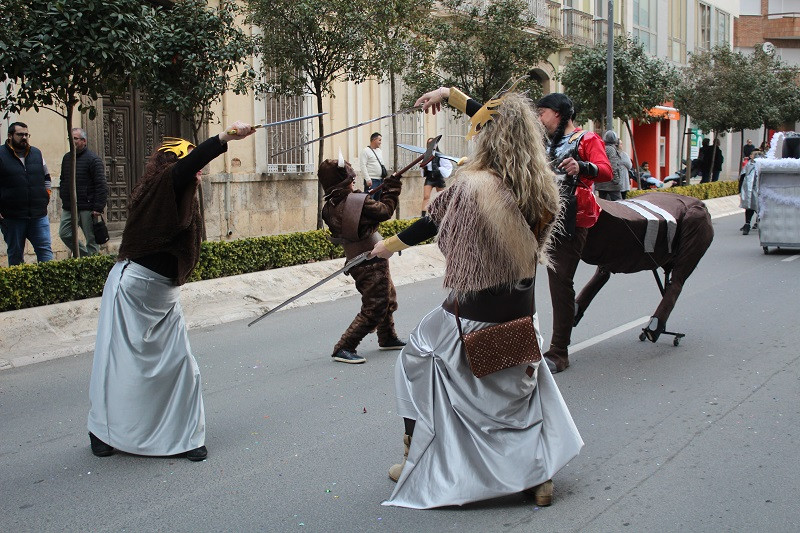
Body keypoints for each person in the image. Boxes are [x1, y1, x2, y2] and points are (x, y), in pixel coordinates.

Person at [372, 87, 583, 509]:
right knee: (517, 394)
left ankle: (415, 455)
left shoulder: (473, 187)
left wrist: (385, 247)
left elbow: (432, 226)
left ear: (490, 139)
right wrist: (450, 95)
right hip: (522, 315)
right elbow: (500, 117)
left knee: (415, 359)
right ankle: (540, 478)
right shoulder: (543, 185)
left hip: (473, 316)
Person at [87, 121, 254, 461]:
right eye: (193, 165)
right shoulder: (165, 184)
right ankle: (101, 431)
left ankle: (185, 437)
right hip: (132, 292)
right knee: (120, 368)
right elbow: (185, 170)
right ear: (173, 165)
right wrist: (224, 138)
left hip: (164, 296)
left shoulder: (175, 192)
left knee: (181, 367)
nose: (200, 173)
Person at [535, 93, 613, 374]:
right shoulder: (545, 143)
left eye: (542, 112)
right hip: (541, 216)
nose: (539, 118)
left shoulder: (586, 139)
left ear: (558, 113)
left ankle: (559, 351)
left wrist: (582, 166)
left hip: (571, 219)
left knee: (560, 282)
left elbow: (606, 171)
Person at [318, 154, 406, 364]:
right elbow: (384, 211)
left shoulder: (330, 206)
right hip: (370, 259)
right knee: (376, 305)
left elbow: (359, 214)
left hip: (358, 259)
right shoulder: (357, 202)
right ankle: (345, 346)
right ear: (344, 181)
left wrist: (371, 194)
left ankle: (387, 337)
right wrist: (392, 189)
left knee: (387, 296)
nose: (354, 181)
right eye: (351, 179)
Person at [0, 122, 54, 266]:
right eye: (20, 134)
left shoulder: (36, 153)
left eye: (26, 134)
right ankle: (19, 288)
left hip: (38, 215)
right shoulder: (1, 155)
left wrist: (45, 197)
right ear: (10, 136)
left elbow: (46, 177)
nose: (24, 137)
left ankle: (49, 285)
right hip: (12, 216)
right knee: (15, 255)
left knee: (45, 252)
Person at [59, 128, 108, 257]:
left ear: (84, 141)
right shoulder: (66, 158)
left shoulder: (93, 159)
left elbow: (101, 185)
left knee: (91, 239)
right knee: (64, 233)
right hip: (70, 207)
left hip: (88, 207)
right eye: (71, 138)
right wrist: (63, 196)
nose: (72, 141)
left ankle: (93, 267)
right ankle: (86, 257)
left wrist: (98, 207)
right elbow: (63, 179)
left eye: (75, 138)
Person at [420, 139, 453, 216]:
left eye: (432, 143)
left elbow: (448, 166)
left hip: (438, 177)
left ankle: (445, 213)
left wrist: (440, 169)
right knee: (426, 196)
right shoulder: (425, 155)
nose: (431, 145)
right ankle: (423, 215)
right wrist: (422, 166)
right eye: (429, 143)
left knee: (442, 197)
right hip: (429, 177)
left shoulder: (439, 155)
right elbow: (423, 166)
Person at [739, 149, 762, 235]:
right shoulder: (760, 166)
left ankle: (748, 224)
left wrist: (740, 189)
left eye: (752, 155)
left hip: (750, 190)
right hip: (756, 190)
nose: (750, 156)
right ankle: (753, 223)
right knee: (758, 208)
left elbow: (742, 177)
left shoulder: (749, 165)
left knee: (750, 207)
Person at [596, 130, 623, 201]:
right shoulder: (611, 150)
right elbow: (613, 166)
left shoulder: (601, 148)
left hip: (601, 182)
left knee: (603, 205)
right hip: (611, 183)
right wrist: (616, 180)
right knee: (618, 203)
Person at [359, 132, 387, 200]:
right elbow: (363, 165)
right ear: (374, 140)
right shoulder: (365, 151)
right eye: (379, 140)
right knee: (370, 200)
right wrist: (367, 179)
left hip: (380, 180)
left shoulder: (379, 151)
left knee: (378, 201)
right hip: (372, 181)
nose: (380, 142)